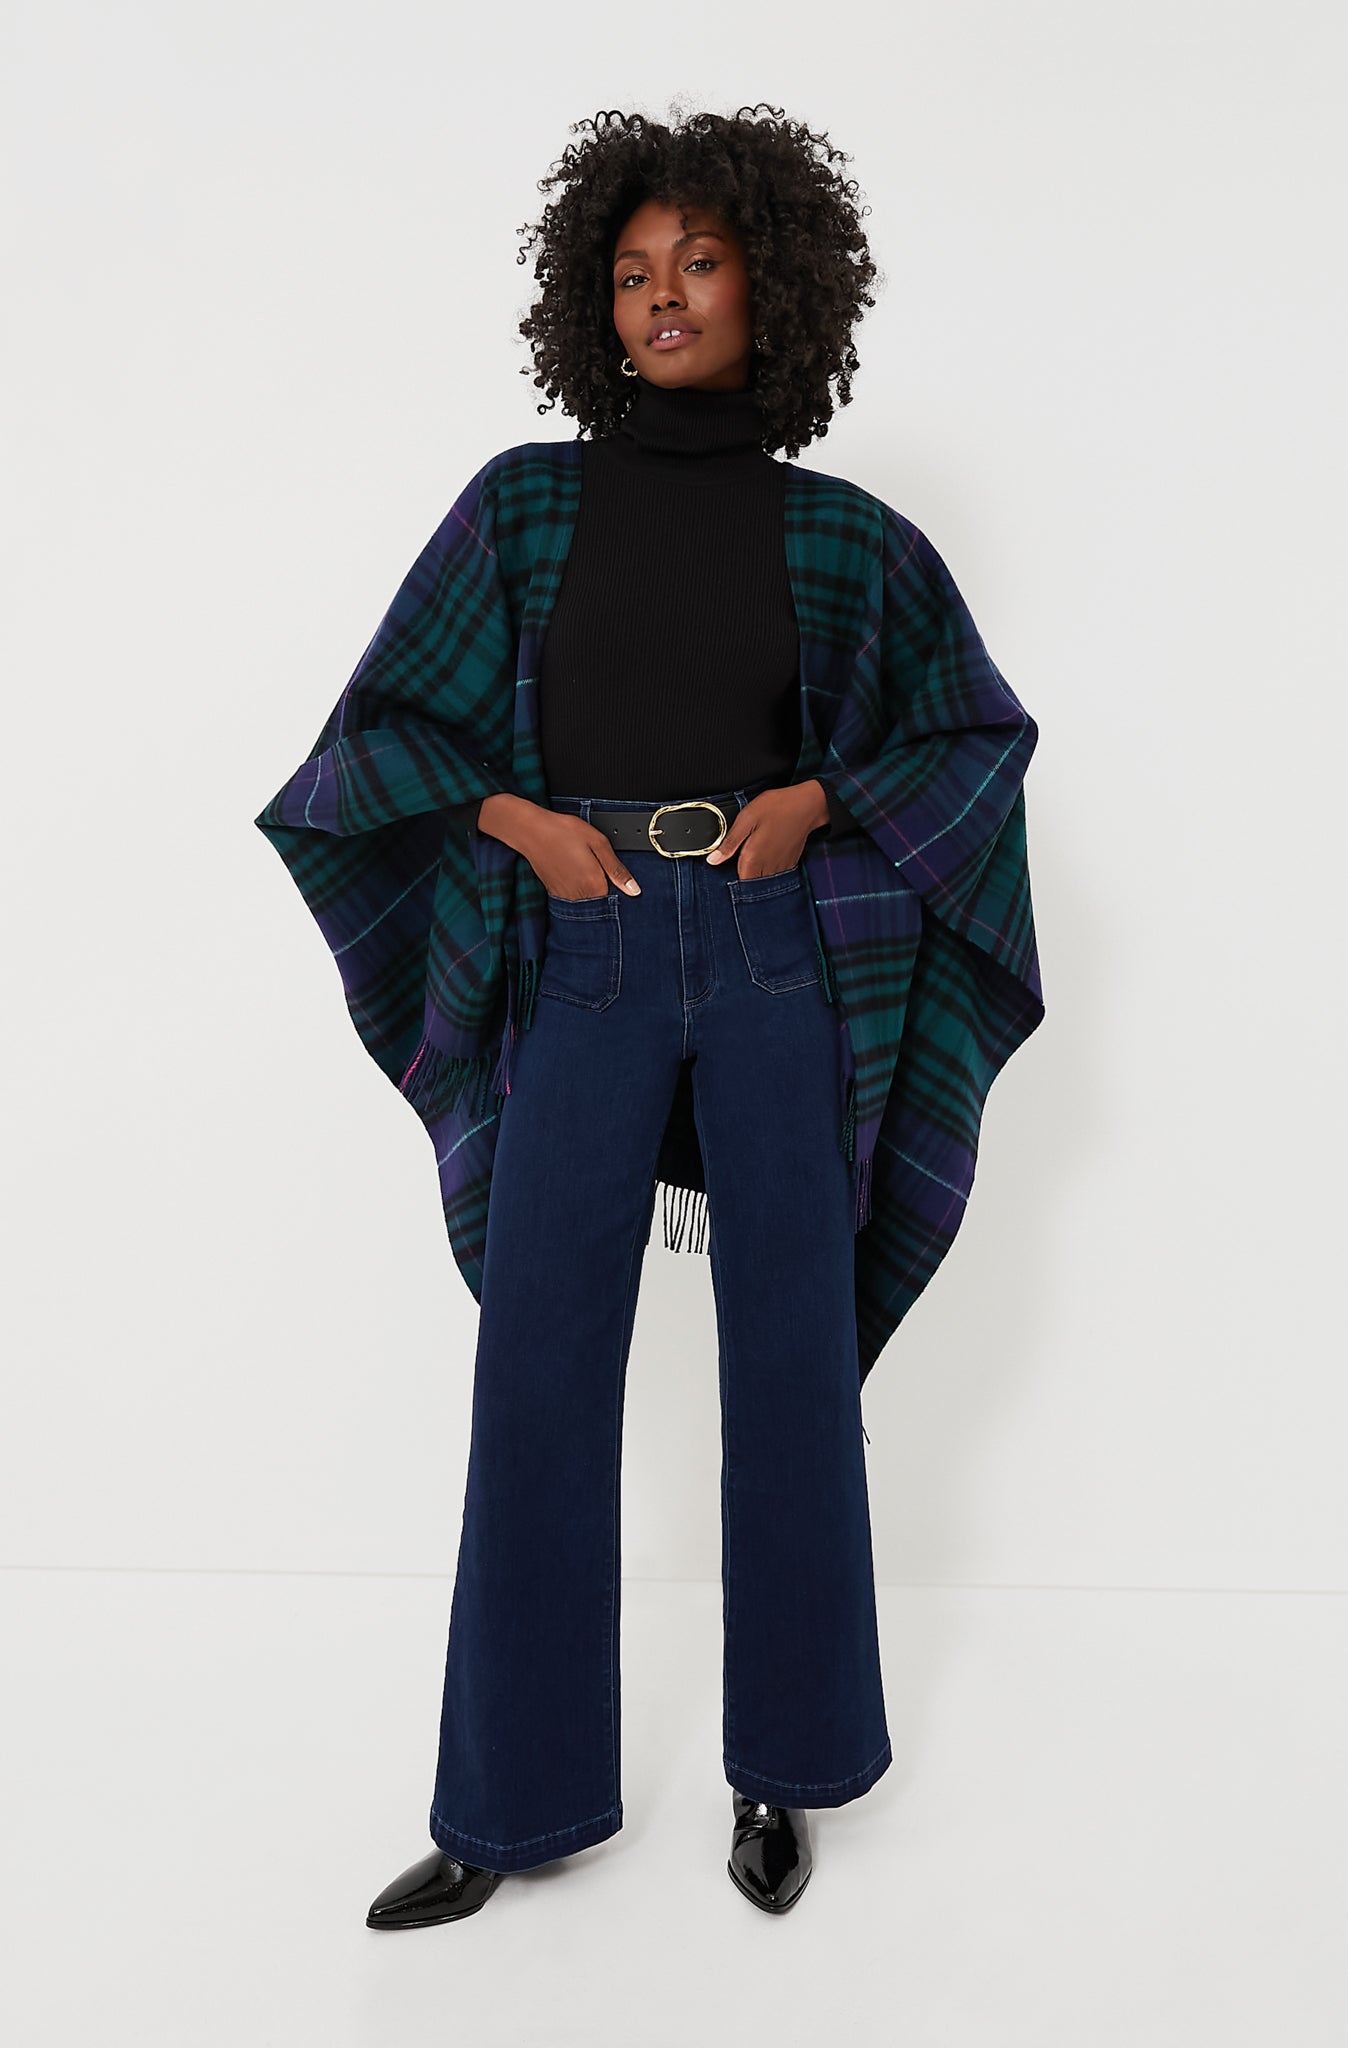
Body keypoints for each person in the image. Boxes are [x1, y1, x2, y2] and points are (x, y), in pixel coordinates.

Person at [254, 104, 1044, 1928]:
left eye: (697, 261)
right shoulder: (522, 506)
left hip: (773, 953)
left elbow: (972, 737)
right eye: (629, 272)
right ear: (590, 304)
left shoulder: (845, 537)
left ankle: (788, 1772)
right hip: (584, 949)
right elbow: (379, 735)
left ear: (774, 285)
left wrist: (822, 800)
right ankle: (504, 1807)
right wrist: (512, 820)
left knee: (791, 1366)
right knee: (537, 1368)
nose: (661, 296)